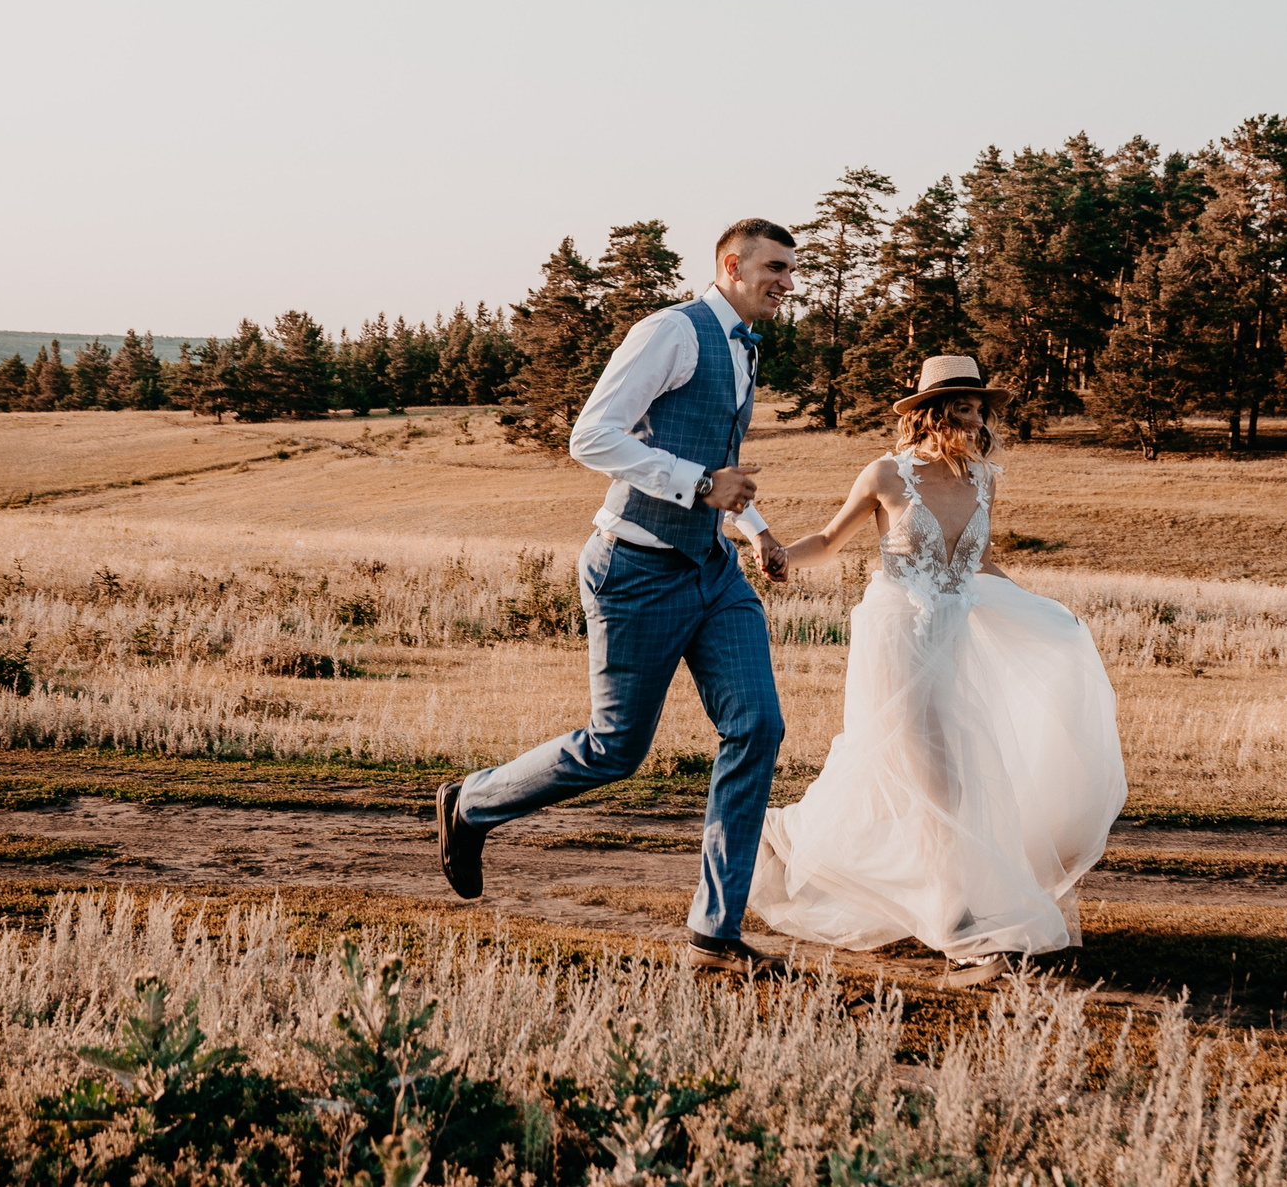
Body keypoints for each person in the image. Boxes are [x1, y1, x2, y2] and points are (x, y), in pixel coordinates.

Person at [436, 218, 798, 976]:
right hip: (635, 569)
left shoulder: (745, 346)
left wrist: (754, 528)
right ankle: (470, 804)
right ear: (730, 264)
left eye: (790, 270)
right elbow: (590, 435)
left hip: (713, 573)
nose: (786, 282)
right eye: (774, 267)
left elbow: (717, 461)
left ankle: (713, 933)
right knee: (614, 749)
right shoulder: (672, 331)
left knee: (757, 725)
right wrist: (699, 485)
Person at [751, 356, 1125, 988]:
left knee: (957, 772)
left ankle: (784, 840)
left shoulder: (983, 479)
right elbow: (829, 540)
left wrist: (1046, 614)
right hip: (896, 636)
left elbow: (979, 564)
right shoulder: (886, 475)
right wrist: (782, 556)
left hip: (955, 639)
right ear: (931, 411)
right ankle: (967, 932)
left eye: (980, 406)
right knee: (938, 780)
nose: (976, 417)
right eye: (964, 405)